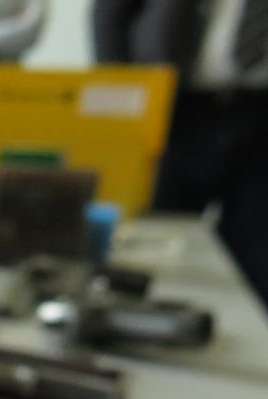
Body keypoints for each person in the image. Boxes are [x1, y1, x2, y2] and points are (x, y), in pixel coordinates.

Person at [94, 0, 268, 307]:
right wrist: (126, 91)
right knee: (151, 234)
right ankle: (130, 318)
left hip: (260, 113)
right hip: (176, 106)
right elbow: (111, 14)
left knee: (257, 248)